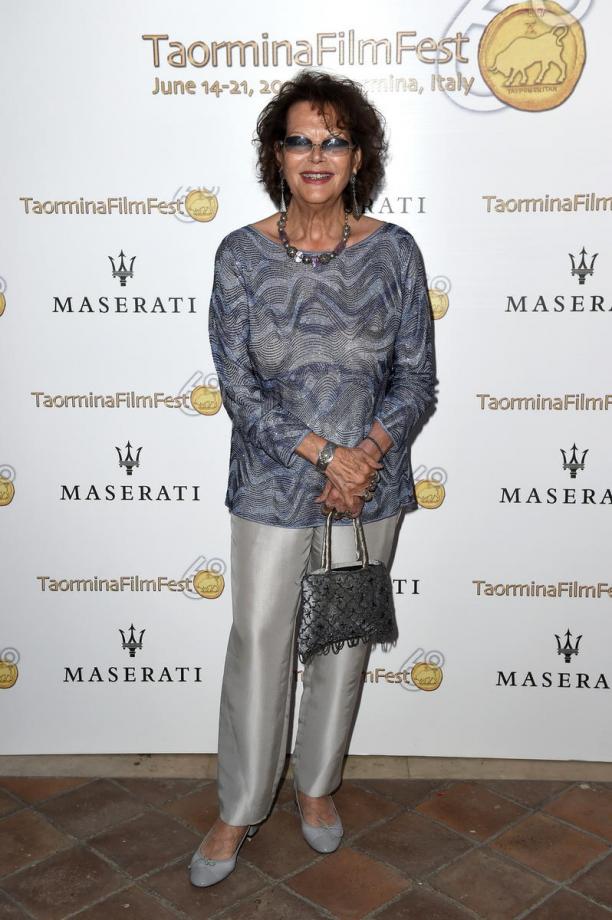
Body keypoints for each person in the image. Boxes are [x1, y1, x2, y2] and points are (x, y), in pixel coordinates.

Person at [189, 69, 436, 887]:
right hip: (271, 484)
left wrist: (362, 457)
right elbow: (238, 389)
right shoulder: (240, 256)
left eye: (334, 140)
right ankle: (239, 806)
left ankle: (318, 787)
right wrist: (327, 456)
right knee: (260, 644)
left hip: (371, 486)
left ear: (358, 156)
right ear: (277, 155)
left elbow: (416, 380)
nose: (317, 154)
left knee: (343, 641)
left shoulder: (395, 253)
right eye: (300, 139)